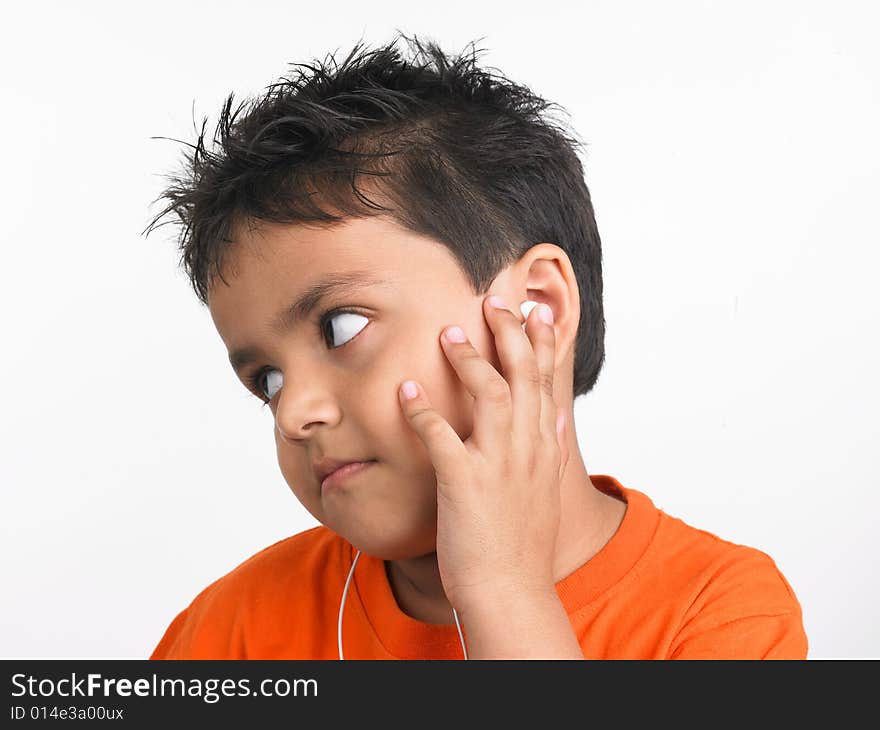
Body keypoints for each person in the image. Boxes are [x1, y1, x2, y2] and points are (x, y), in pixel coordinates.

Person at [144, 32, 808, 659]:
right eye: (268, 379)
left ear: (534, 308)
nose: (293, 415)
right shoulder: (233, 631)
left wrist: (502, 589)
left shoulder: (718, 613)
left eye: (339, 327)